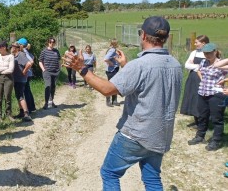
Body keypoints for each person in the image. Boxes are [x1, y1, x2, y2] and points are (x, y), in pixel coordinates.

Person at [64, 16, 182, 190]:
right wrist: (126, 66)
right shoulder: (175, 65)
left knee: (109, 173)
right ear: (165, 38)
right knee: (152, 178)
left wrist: (82, 69)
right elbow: (149, 85)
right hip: (160, 135)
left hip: (135, 135)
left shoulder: (140, 65)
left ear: (143, 35)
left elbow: (107, 89)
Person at [187, 43, 227, 151]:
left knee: (216, 118)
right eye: (205, 53)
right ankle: (200, 136)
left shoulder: (221, 63)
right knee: (202, 116)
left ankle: (216, 140)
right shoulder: (203, 61)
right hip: (203, 92)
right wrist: (203, 80)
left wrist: (224, 80)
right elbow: (199, 70)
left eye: (209, 53)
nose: (207, 55)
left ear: (215, 52)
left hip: (216, 94)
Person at [180, 35, 209, 128]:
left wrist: (195, 65)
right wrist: (197, 66)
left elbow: (209, 66)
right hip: (193, 78)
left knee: (201, 99)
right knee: (193, 98)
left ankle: (202, 122)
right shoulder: (194, 52)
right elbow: (186, 65)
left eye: (197, 42)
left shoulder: (209, 53)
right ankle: (196, 120)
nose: (195, 44)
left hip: (204, 78)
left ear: (203, 43)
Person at [10, 41, 33, 121]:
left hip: (20, 79)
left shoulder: (20, 54)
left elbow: (29, 64)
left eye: (12, 46)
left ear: (16, 48)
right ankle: (21, 112)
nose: (11, 48)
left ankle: (26, 114)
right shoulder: (14, 55)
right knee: (18, 95)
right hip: (16, 79)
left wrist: (24, 71)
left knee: (20, 96)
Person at [0, 40, 15, 121]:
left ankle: (9, 114)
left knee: (7, 97)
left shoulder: (10, 56)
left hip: (8, 78)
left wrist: (0, 70)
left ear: (4, 47)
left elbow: (11, 70)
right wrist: (5, 68)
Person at [39, 37, 61, 109]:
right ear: (48, 43)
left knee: (53, 87)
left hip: (55, 72)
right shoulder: (44, 51)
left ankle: (51, 102)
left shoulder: (56, 51)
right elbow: (40, 61)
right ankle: (46, 103)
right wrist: (43, 69)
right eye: (50, 42)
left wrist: (59, 69)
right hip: (47, 72)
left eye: (53, 42)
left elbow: (59, 60)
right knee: (48, 86)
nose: (52, 43)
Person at [17, 38, 36, 113]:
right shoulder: (26, 51)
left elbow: (31, 61)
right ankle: (31, 107)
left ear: (21, 45)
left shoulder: (24, 51)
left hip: (26, 74)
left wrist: (25, 70)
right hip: (28, 74)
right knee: (27, 90)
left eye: (18, 44)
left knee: (26, 91)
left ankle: (29, 108)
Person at [104, 39, 120, 107]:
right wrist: (111, 63)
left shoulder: (112, 49)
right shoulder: (112, 50)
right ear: (115, 43)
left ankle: (114, 100)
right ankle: (108, 101)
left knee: (115, 85)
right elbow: (106, 58)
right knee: (111, 86)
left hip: (113, 70)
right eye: (117, 43)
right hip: (112, 70)